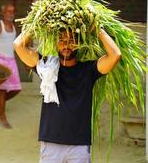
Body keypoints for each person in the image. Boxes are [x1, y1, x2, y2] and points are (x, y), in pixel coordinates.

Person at [13, 27, 121, 162]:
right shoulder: (47, 67)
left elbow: (115, 55)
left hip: (79, 145)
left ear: (79, 44)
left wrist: (97, 29)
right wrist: (35, 24)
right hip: (51, 143)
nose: (66, 44)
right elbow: (18, 45)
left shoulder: (89, 70)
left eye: (72, 41)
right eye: (62, 40)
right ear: (56, 43)